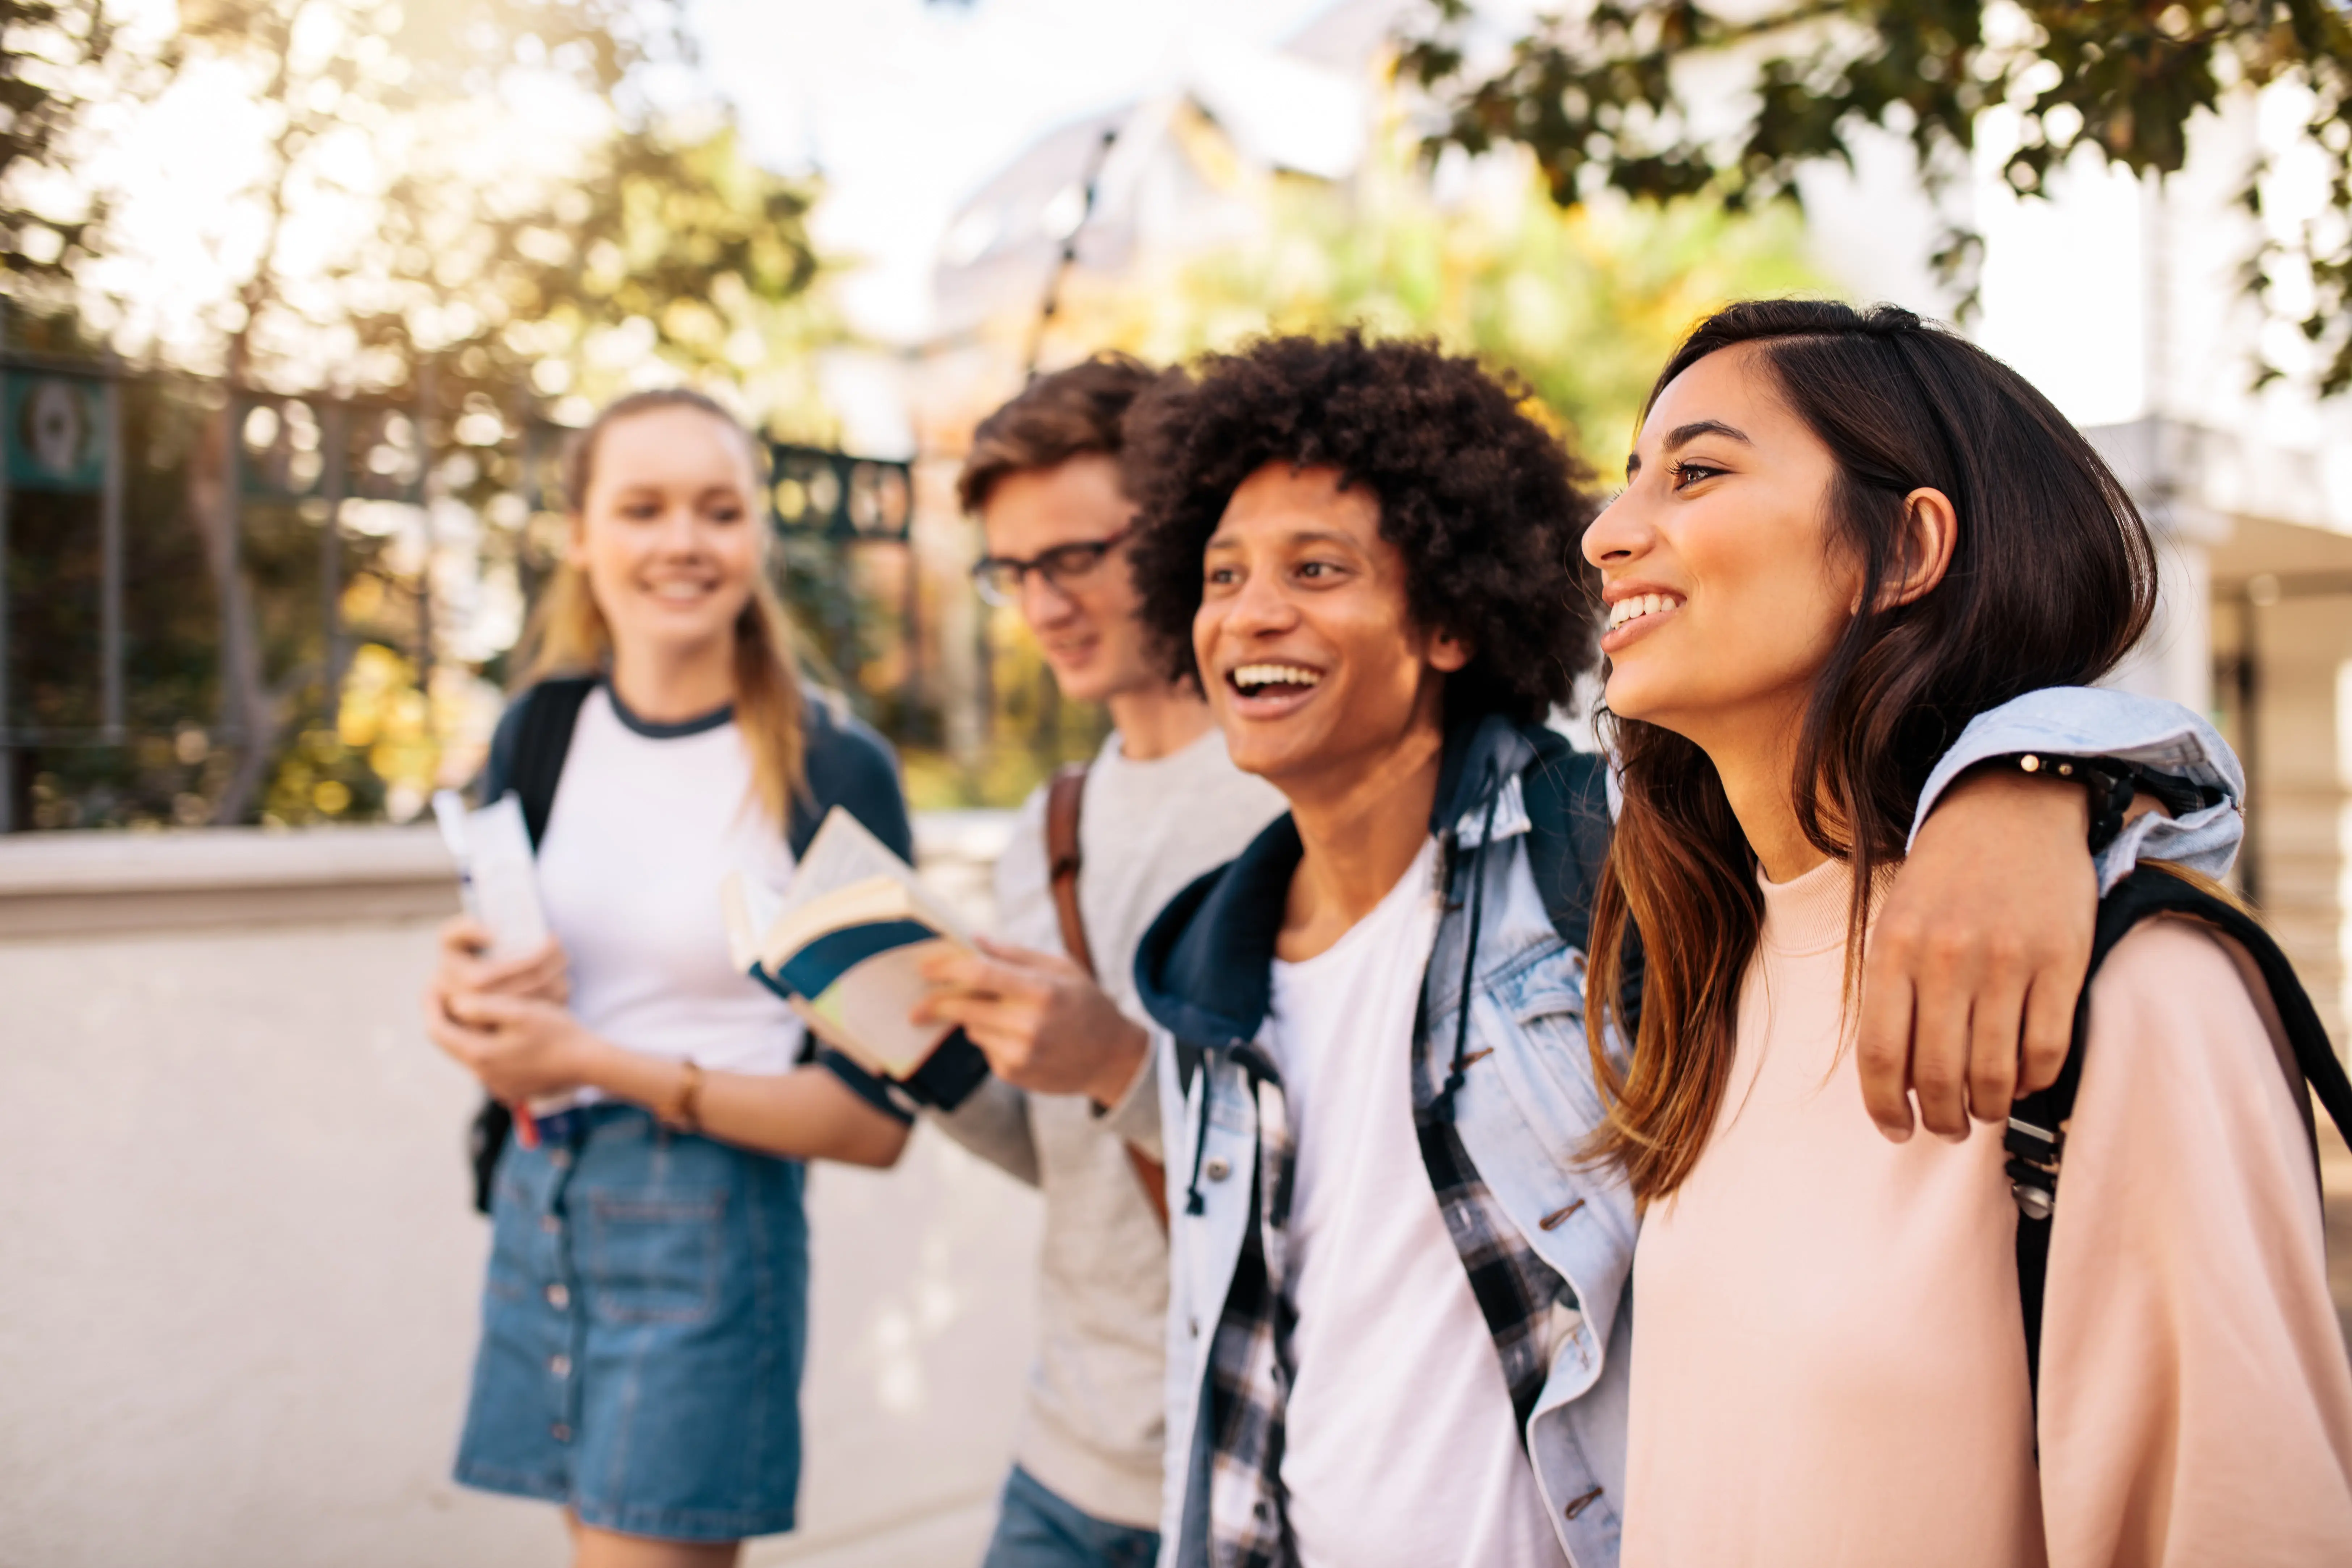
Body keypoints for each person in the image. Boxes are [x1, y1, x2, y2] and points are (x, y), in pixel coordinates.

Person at [1116, 331, 2246, 1568]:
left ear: (1451, 619)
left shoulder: (1599, 867)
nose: (1250, 614)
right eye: (1219, 577)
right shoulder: (1203, 976)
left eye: (1317, 567)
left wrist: (2033, 776)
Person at [1582, 300, 2352, 1567]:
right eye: (1626, 482)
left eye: (1699, 472)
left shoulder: (2132, 989)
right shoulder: (1701, 968)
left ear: (1904, 549)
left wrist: (2053, 774)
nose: (1608, 535)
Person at [423, 388, 917, 1568]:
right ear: (582, 535)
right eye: (642, 508)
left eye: (718, 510)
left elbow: (872, 1119)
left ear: (758, 535)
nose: (682, 542)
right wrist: (464, 997)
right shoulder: (534, 734)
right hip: (543, 1203)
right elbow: (513, 973)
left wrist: (594, 1063)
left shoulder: (833, 769)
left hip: (711, 1228)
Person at [908, 355, 1285, 1568]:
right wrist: (921, 1059)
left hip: (1250, 1458)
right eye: (1015, 572)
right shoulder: (1048, 825)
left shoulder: (1296, 794)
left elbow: (1359, 1164)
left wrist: (1119, 1060)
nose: (1045, 606)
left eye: (1078, 557)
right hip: (1063, 1454)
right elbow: (1067, 1160)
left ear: (1178, 530)